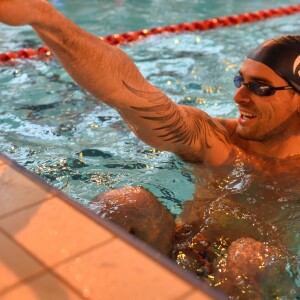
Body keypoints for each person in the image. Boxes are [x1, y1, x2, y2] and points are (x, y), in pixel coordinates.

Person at [1, 1, 299, 298]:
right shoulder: (218, 139)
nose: (238, 96)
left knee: (247, 257)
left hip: (256, 280)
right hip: (180, 252)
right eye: (240, 80)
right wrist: (42, 15)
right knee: (128, 201)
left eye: (260, 87)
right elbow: (131, 95)